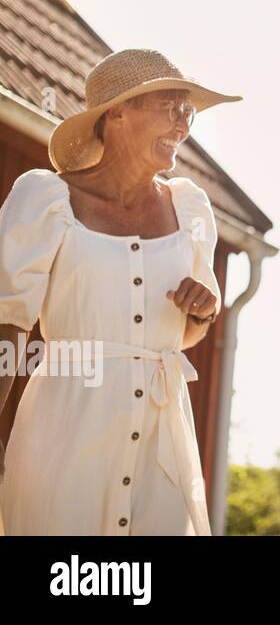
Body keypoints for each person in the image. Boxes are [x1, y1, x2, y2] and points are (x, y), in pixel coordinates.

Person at [0, 49, 234, 535]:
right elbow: (8, 322)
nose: (182, 125)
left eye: (187, 112)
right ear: (117, 113)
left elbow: (188, 334)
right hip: (65, 427)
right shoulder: (46, 199)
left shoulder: (190, 206)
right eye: (170, 107)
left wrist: (201, 310)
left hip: (162, 434)